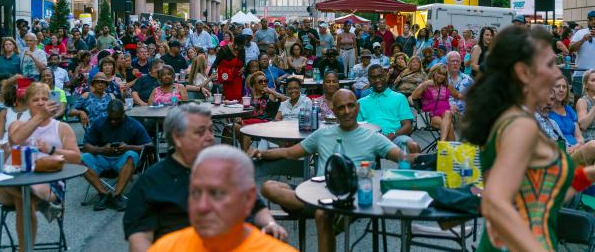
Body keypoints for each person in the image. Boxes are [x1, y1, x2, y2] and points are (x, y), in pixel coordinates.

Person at [461, 25, 595, 251]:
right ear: (523, 72)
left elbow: (545, 196)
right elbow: (495, 202)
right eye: (549, 64)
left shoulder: (515, 117)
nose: (558, 72)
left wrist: (592, 173)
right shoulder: (520, 126)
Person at [255, 90, 404, 252]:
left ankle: (332, 210)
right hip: (317, 193)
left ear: (357, 107)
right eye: (341, 108)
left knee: (322, 214)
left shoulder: (373, 137)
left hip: (352, 195)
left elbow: (402, 158)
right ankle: (331, 210)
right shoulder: (322, 134)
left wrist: (415, 153)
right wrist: (261, 153)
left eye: (350, 106)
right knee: (268, 187)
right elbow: (290, 152)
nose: (347, 111)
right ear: (334, 111)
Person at [124, 104, 288, 251]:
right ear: (177, 138)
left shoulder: (225, 167)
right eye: (200, 132)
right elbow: (139, 237)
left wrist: (270, 223)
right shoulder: (152, 181)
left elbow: (255, 205)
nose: (210, 136)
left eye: (210, 129)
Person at [148, 144, 295, 252]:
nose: (202, 206)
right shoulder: (165, 247)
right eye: (195, 193)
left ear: (249, 198)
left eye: (217, 194)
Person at [0, 82, 80, 252]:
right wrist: (38, 117)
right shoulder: (18, 125)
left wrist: (50, 149)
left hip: (48, 183)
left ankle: (25, 250)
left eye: (45, 99)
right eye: (35, 99)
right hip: (10, 186)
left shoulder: (62, 128)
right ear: (27, 103)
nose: (41, 103)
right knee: (20, 190)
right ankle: (43, 206)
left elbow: (76, 158)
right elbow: (15, 140)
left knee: (23, 199)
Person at [82, 99, 152, 211]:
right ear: (107, 114)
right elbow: (86, 146)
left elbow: (149, 145)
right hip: (103, 158)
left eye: (117, 119)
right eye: (111, 119)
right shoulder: (100, 122)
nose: (113, 121)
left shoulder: (133, 124)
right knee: (82, 159)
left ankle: (117, 195)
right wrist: (102, 150)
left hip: (123, 160)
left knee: (131, 154)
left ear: (124, 114)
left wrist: (128, 147)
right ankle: (104, 194)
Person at [358, 65, 421, 153]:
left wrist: (392, 135)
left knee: (413, 146)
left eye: (380, 76)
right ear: (369, 80)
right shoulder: (361, 103)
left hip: (396, 137)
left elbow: (408, 126)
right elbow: (358, 128)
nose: (377, 80)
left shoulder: (399, 97)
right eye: (373, 78)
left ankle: (409, 167)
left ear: (385, 76)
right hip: (370, 140)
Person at [411, 63, 461, 141]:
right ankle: (449, 148)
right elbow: (413, 97)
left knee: (448, 113)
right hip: (431, 116)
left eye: (444, 74)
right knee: (449, 126)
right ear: (434, 72)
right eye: (439, 73)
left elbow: (457, 95)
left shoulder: (447, 85)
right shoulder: (426, 85)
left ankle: (442, 143)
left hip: (446, 114)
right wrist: (425, 84)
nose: (441, 76)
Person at [570, 11, 595, 96]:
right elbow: (571, 49)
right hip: (580, 75)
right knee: (578, 101)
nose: (593, 22)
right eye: (590, 20)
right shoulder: (580, 32)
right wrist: (583, 40)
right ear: (587, 21)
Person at [550, 76, 584, 147]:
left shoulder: (569, 109)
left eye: (564, 87)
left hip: (576, 149)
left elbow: (579, 137)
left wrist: (577, 146)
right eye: (557, 86)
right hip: (559, 151)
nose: (561, 90)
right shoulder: (545, 111)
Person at [210, 34, 246, 102]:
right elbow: (216, 62)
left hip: (238, 77)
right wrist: (210, 75)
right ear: (235, 43)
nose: (241, 48)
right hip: (227, 77)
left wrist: (244, 68)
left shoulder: (242, 49)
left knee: (238, 96)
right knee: (229, 97)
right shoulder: (224, 49)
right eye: (240, 46)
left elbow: (244, 63)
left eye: (242, 46)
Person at [446, 51, 473, 117]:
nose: (455, 63)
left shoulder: (468, 79)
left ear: (460, 64)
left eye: (457, 61)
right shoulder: (441, 78)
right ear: (447, 64)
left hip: (466, 115)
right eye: (452, 61)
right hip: (447, 113)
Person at [575, 69, 595, 142]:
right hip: (592, 140)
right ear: (586, 85)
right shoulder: (583, 101)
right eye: (593, 80)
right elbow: (583, 125)